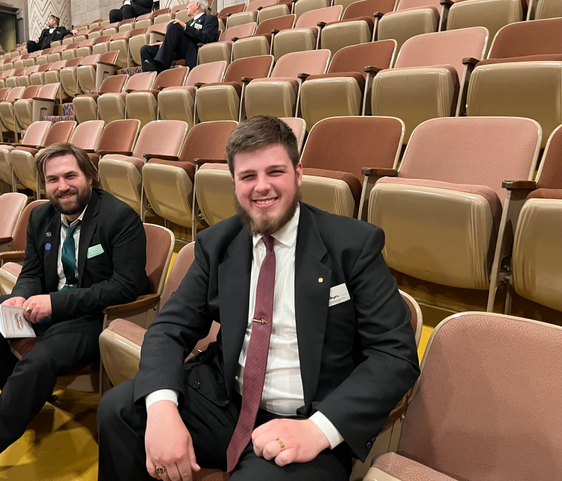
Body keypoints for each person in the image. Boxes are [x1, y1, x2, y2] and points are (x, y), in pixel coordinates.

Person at [97, 116, 421, 481]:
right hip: (224, 403)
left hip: (304, 420)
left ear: (298, 173)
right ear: (233, 183)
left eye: (275, 172)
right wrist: (161, 410)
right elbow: (170, 328)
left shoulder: (353, 245)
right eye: (248, 176)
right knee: (120, 410)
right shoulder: (216, 244)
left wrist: (318, 429)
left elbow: (395, 355)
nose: (261, 187)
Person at [0, 142, 149, 479]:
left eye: (70, 176)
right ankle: (23, 398)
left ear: (89, 176)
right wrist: (19, 296)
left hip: (91, 318)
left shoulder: (120, 217)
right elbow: (30, 273)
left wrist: (55, 303)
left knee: (38, 360)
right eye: (53, 179)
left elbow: (126, 287)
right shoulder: (41, 214)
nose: (62, 186)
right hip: (39, 307)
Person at [140, 0, 218, 73]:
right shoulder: (189, 23)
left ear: (197, 5)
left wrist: (185, 27)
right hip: (177, 49)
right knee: (145, 50)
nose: (187, 7)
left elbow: (207, 37)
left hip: (192, 49)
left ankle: (161, 66)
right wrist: (164, 44)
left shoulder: (210, 19)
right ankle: (152, 80)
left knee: (174, 25)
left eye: (189, 3)